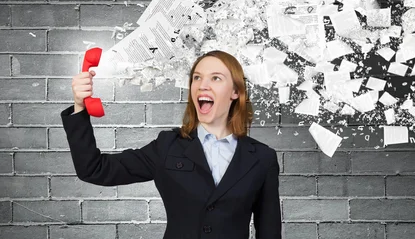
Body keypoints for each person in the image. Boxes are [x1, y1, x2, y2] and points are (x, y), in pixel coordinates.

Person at [61, 50, 282, 239]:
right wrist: (80, 106)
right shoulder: (168, 146)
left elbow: (269, 232)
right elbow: (94, 169)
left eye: (216, 78)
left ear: (235, 91)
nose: (202, 85)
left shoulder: (262, 158)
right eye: (197, 77)